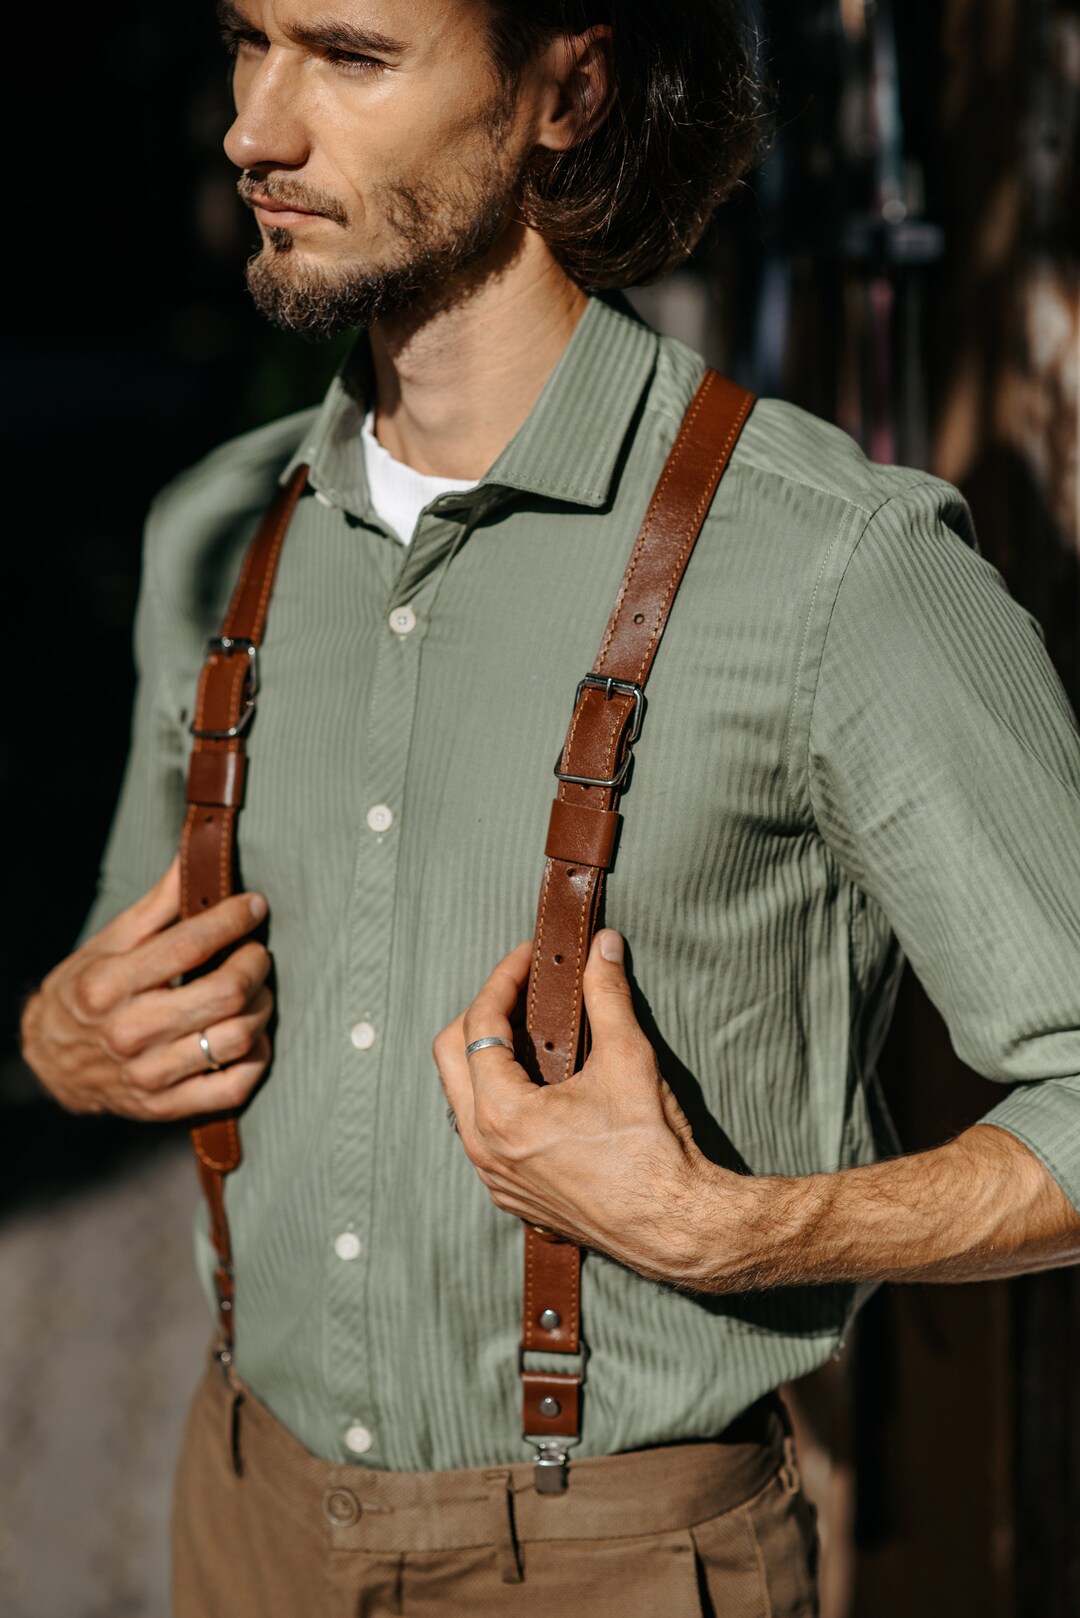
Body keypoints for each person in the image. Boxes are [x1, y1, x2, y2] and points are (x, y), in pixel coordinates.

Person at [19, 1, 1080, 1613]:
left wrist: (737, 1229)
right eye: (248, 40)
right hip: (237, 1507)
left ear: (565, 89)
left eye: (351, 54)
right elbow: (127, 947)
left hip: (615, 1558)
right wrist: (62, 1038)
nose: (255, 127)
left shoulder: (836, 570)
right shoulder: (220, 536)